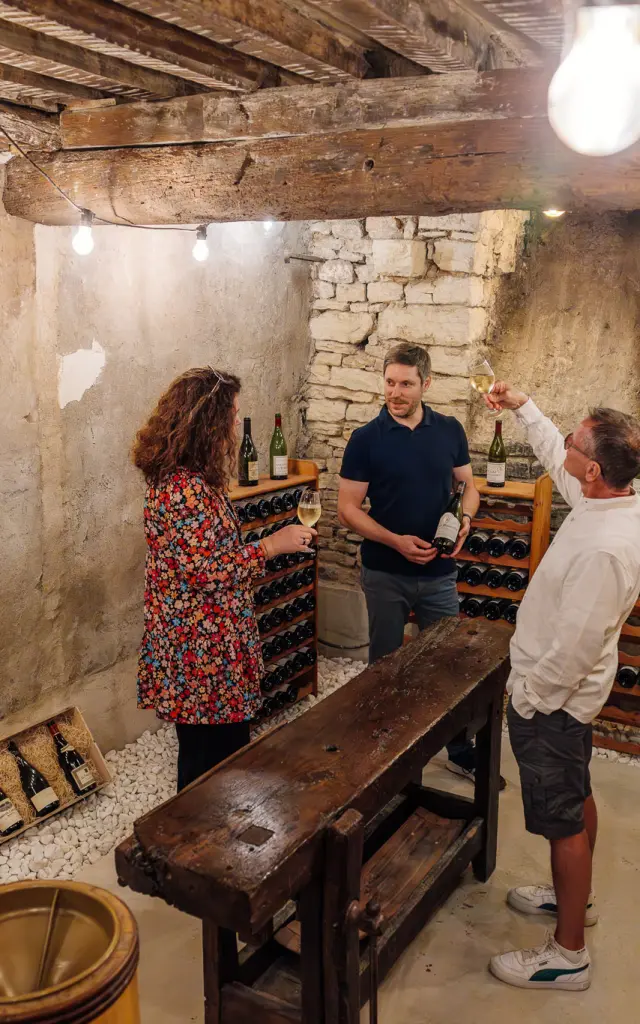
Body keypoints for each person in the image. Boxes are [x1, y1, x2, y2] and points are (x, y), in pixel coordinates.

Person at [485, 381, 640, 992]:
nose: (566, 449)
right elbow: (556, 453)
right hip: (567, 704)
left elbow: (574, 648)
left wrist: (529, 699)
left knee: (563, 819)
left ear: (595, 468)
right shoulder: (613, 501)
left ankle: (567, 954)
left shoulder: (607, 548)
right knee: (577, 796)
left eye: (578, 444)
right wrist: (524, 407)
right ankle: (574, 898)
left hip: (553, 702)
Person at [132, 367, 316, 791]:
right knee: (210, 762)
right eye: (232, 414)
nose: (237, 423)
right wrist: (272, 545)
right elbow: (205, 570)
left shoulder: (190, 479)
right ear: (208, 422)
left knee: (218, 754)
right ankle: (190, 846)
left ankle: (208, 840)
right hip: (201, 653)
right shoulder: (183, 489)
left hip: (207, 643)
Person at [338, 341, 484, 781]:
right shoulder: (365, 440)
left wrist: (466, 521)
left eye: (405, 383)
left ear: (426, 383)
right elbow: (347, 509)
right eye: (389, 382)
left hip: (439, 573)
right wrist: (396, 541)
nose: (395, 392)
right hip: (385, 572)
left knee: (449, 663)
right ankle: (381, 754)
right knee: (384, 665)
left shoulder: (450, 430)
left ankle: (459, 749)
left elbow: (469, 487)